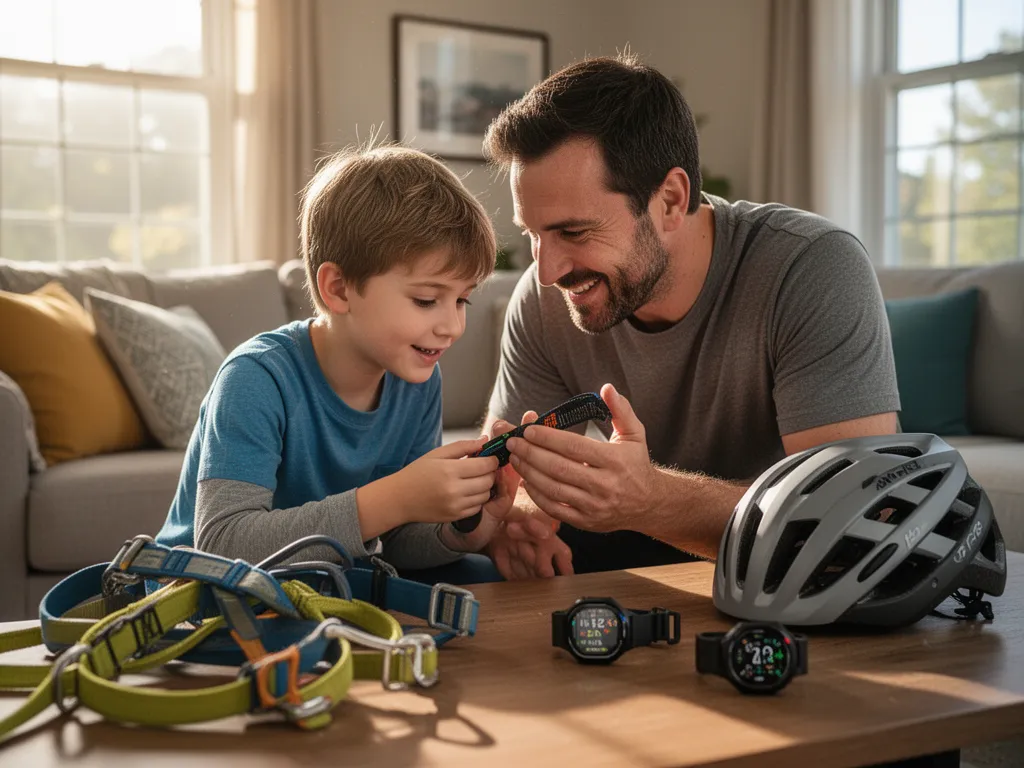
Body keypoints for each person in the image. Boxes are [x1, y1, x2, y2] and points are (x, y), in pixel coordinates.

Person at [479, 54, 901, 580]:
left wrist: (649, 498)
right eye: (533, 234)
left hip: (786, 578)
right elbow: (512, 487)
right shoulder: (541, 301)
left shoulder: (810, 266)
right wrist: (519, 520)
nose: (546, 271)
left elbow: (859, 516)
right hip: (626, 566)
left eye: (573, 231)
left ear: (671, 200)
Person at [155, 145, 513, 583]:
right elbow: (224, 544)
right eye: (426, 300)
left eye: (462, 300)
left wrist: (467, 526)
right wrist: (396, 498)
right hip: (206, 598)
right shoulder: (255, 378)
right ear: (339, 289)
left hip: (323, 585)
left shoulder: (417, 379)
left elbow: (395, 542)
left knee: (482, 577)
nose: (453, 326)